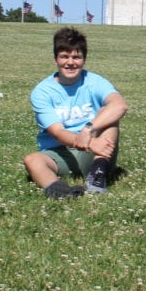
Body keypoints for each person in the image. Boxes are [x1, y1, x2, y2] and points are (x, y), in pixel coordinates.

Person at [23, 27, 128, 199]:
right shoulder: (42, 91)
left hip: (96, 152)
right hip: (61, 152)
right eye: (65, 56)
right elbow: (57, 132)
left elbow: (120, 105)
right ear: (56, 58)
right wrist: (84, 142)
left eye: (76, 57)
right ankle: (59, 190)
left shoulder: (94, 81)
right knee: (32, 160)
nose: (70, 62)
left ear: (84, 60)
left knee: (107, 111)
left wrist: (88, 131)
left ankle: (97, 176)